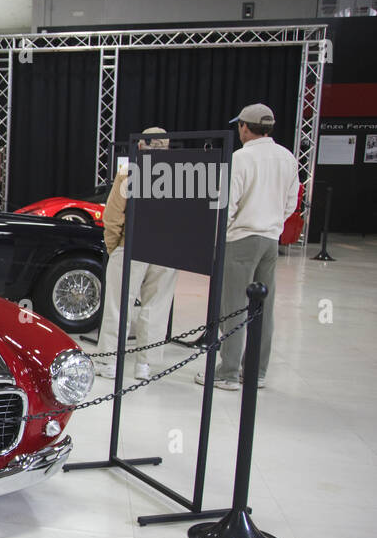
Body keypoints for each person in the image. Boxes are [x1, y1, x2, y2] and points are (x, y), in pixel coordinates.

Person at [197, 103, 298, 390]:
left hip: (241, 239)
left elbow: (227, 205)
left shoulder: (240, 159)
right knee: (263, 307)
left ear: (244, 127)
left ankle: (227, 372)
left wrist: (218, 238)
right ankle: (255, 372)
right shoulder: (287, 158)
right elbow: (291, 203)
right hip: (270, 240)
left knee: (234, 306)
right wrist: (272, 223)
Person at [92, 127, 178, 381]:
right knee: (156, 307)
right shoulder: (180, 174)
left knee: (118, 305)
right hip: (167, 248)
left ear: (140, 145)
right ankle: (144, 365)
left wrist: (114, 247)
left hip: (131, 246)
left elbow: (113, 215)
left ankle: (109, 361)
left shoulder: (130, 171)